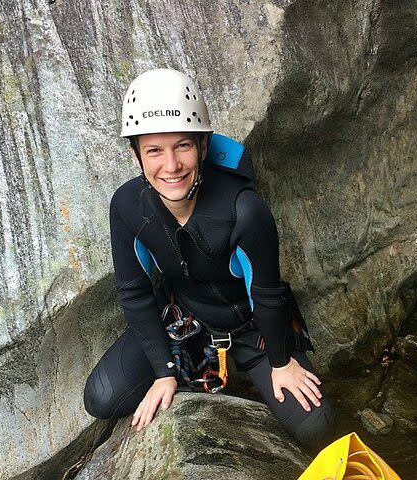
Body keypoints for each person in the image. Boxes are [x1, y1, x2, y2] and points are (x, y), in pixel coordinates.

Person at [83, 68, 335, 450]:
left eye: (182, 146)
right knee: (102, 397)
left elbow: (266, 294)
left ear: (203, 146)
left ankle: (244, 368)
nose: (171, 166)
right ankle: (190, 369)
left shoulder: (244, 210)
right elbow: (134, 294)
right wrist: (164, 371)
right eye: (154, 150)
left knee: (319, 428)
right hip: (184, 319)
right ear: (136, 155)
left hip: (251, 327)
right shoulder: (127, 207)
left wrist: (282, 362)